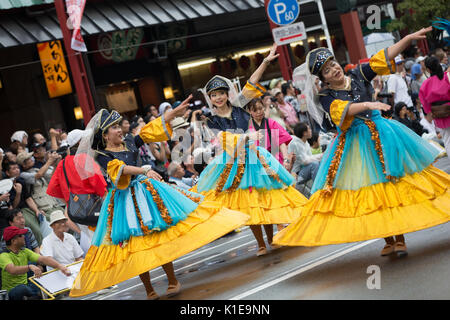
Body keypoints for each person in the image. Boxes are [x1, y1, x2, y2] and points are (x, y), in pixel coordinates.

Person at [273, 27, 450, 257]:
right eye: (326, 70)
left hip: (383, 134)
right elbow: (343, 111)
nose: (333, 70)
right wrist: (367, 105)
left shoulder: (358, 74)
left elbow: (384, 57)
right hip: (356, 144)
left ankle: (400, 236)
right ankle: (388, 237)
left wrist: (406, 39)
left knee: (392, 183)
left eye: (333, 64)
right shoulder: (326, 96)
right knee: (370, 190)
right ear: (322, 79)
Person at [68, 104, 248, 299]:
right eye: (114, 127)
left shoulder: (129, 141)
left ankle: (172, 280)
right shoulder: (103, 155)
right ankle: (149, 289)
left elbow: (150, 131)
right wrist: (144, 170)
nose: (120, 130)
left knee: (157, 236)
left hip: (146, 193)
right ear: (104, 135)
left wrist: (172, 114)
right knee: (134, 245)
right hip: (124, 201)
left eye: (119, 125)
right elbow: (119, 170)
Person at [193, 44, 307, 257]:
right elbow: (225, 139)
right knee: (248, 203)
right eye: (213, 95)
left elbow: (251, 83)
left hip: (255, 157)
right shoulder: (212, 119)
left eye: (220, 93)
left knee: (262, 198)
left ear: (227, 94)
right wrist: (247, 137)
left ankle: (272, 238)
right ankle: (261, 243)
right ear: (210, 98)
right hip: (232, 163)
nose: (218, 97)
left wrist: (265, 62)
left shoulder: (238, 106)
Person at [0, 226, 71, 300]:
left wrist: (60, 266)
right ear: (13, 241)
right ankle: (38, 295)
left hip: (27, 286)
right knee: (22, 289)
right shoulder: (3, 255)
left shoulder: (25, 251)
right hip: (12, 292)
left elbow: (43, 259)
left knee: (45, 282)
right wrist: (29, 267)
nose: (24, 237)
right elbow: (12, 270)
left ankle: (36, 296)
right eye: (20, 236)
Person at [419, 56, 450, 157]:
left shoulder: (425, 84)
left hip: (439, 114)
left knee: (447, 140)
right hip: (448, 107)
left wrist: (430, 112)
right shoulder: (446, 77)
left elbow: (425, 104)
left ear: (428, 69)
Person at [247, 98, 292, 165]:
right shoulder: (247, 127)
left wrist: (286, 158)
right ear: (249, 111)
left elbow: (281, 142)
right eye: (255, 110)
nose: (259, 112)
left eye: (260, 108)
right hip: (257, 164)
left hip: (274, 161)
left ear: (264, 107)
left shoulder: (271, 123)